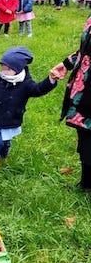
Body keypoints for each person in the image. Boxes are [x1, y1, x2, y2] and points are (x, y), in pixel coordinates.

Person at [52, 15, 91, 192]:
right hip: (85, 88)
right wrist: (67, 63)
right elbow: (86, 49)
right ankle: (86, 184)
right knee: (84, 135)